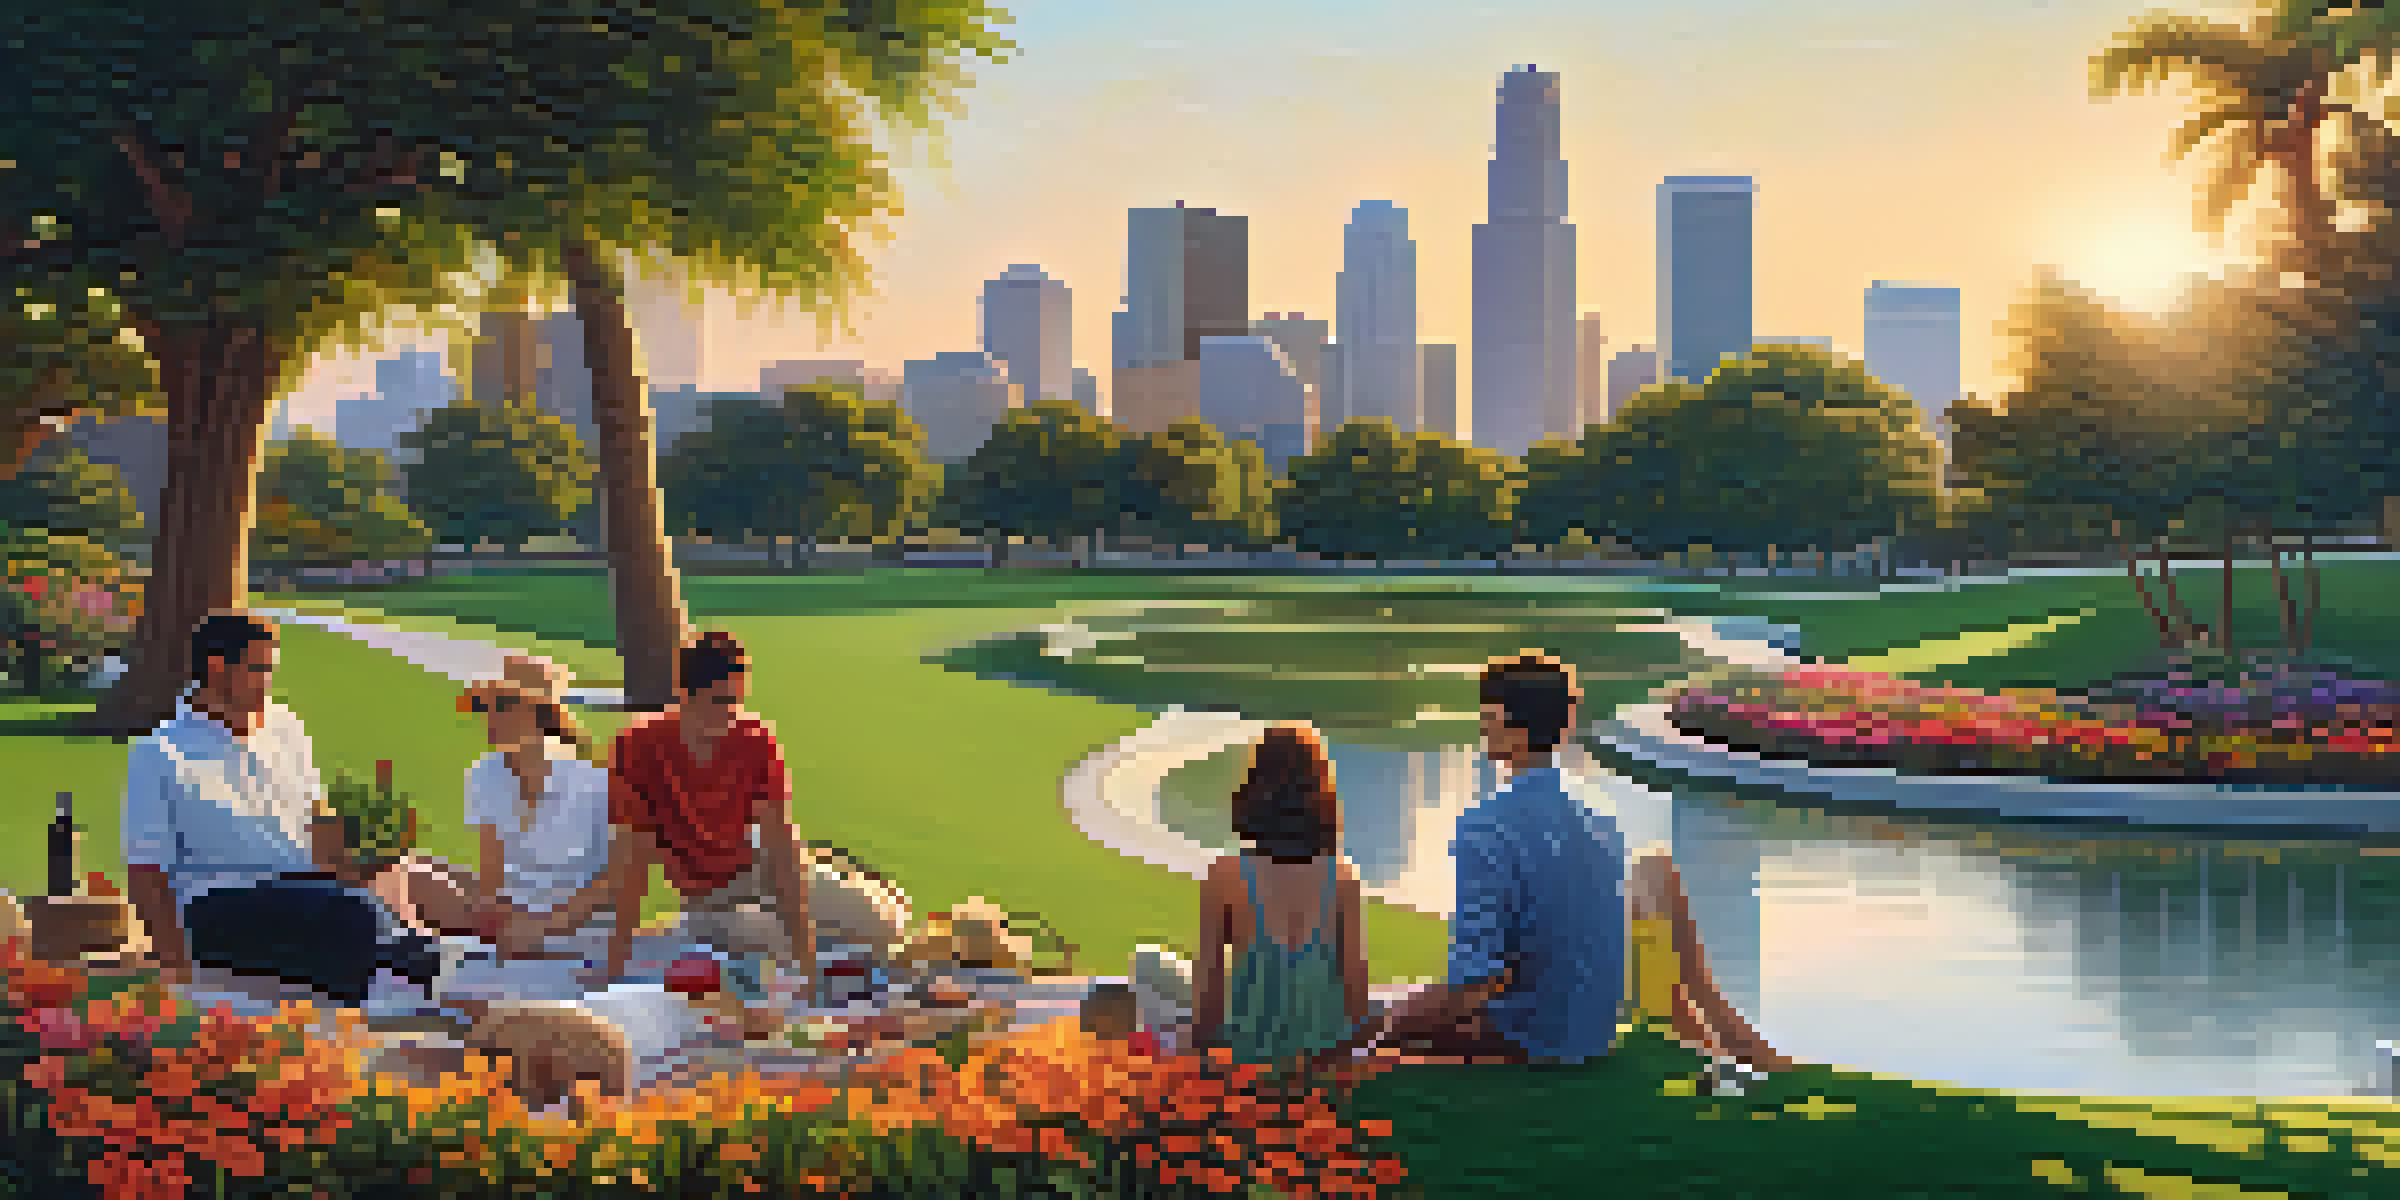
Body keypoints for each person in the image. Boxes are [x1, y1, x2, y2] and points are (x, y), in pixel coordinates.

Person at [121, 611, 442, 1007]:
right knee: (352, 919)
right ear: (217, 668)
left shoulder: (285, 726)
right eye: (258, 669)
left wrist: (356, 868)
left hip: (304, 893)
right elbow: (145, 872)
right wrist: (176, 969)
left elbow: (317, 817)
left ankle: (390, 974)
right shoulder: (159, 752)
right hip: (218, 902)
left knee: (403, 918)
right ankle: (377, 990)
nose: (268, 682)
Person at [532, 632, 815, 1000]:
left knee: (874, 924)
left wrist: (805, 952)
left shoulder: (754, 737)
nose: (731, 715)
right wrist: (616, 963)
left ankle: (836, 917)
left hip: (758, 862)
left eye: (736, 702)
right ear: (685, 693)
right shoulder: (639, 746)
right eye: (720, 701)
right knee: (767, 946)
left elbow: (781, 845)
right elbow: (633, 858)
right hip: (709, 896)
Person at [1375, 651, 1624, 1066]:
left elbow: (1475, 983)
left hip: (1530, 1037)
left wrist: (1390, 1023)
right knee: (1400, 998)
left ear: (1515, 728)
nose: (1484, 726)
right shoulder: (1604, 823)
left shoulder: (1486, 826)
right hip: (1592, 1032)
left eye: (1490, 715)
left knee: (1375, 1018)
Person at [1190, 723, 1371, 1076]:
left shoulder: (1225, 875)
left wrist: (1199, 1058)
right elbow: (1356, 996)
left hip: (1249, 1058)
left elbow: (1208, 993)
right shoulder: (1344, 877)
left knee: (1151, 967)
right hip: (1323, 1059)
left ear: (1255, 789)